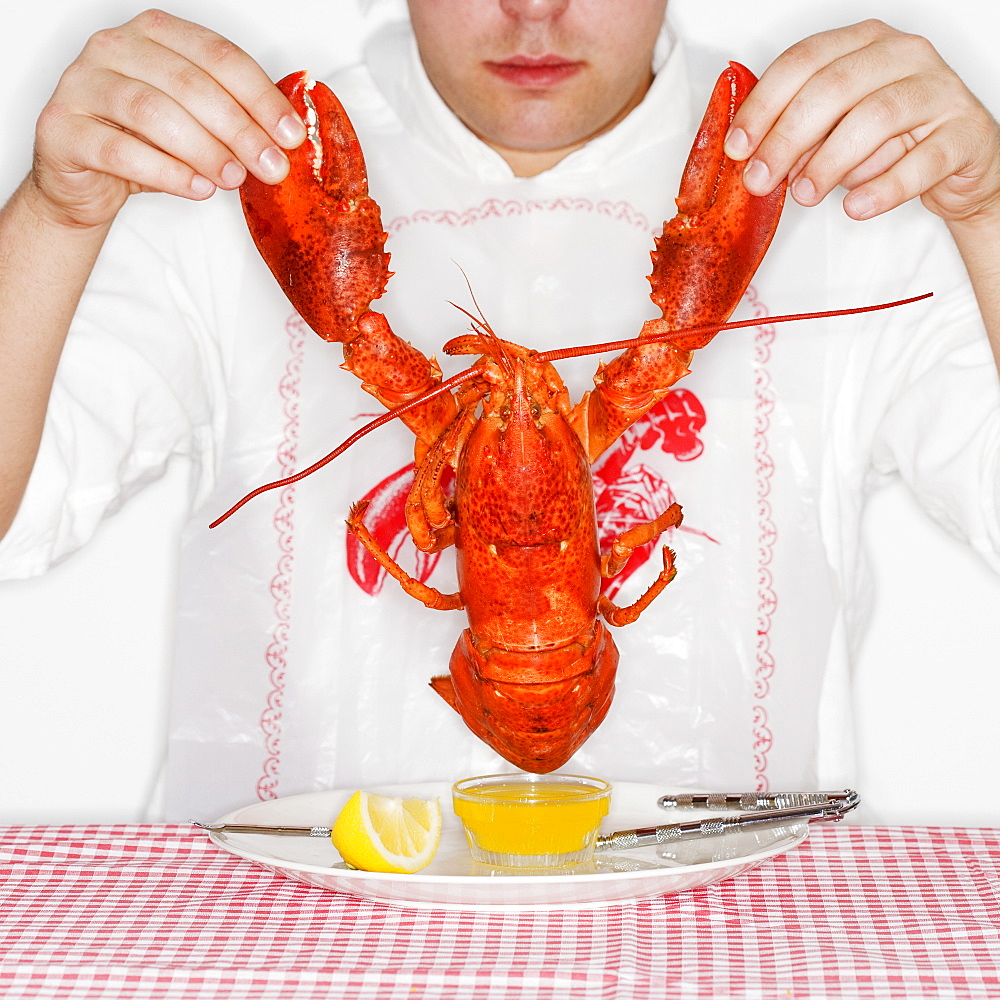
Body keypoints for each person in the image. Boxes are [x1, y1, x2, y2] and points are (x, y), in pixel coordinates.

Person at [1, 1, 998, 821]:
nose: (535, 9)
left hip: (725, 942)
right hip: (301, 941)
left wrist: (989, 213)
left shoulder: (853, 182)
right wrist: (54, 215)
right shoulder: (217, 171)